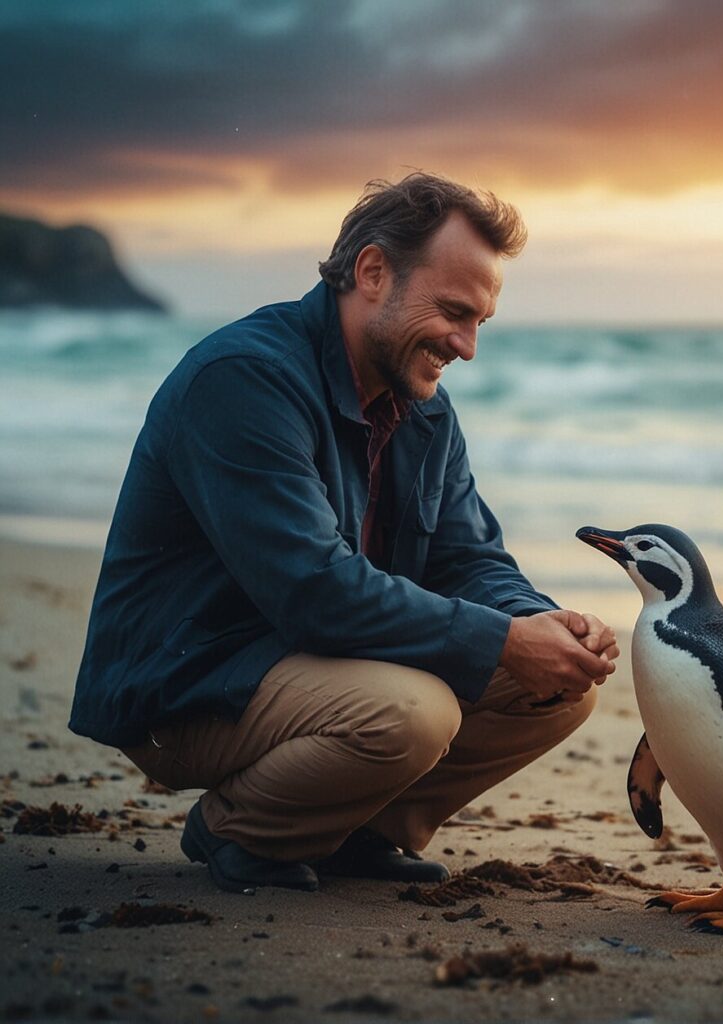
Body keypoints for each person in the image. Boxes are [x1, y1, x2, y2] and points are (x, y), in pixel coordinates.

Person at [69, 173, 618, 894]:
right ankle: (244, 829)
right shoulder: (245, 379)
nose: (467, 345)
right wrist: (504, 641)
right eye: (454, 312)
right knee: (412, 713)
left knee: (554, 688)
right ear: (372, 272)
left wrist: (541, 623)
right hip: (191, 683)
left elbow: (467, 558)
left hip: (315, 666)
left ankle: (353, 833)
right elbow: (314, 591)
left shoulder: (424, 410)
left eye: (480, 321)